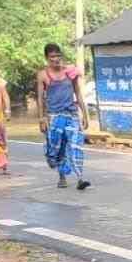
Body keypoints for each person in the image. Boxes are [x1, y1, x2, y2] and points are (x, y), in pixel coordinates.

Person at [37, 43, 90, 190]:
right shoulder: (43, 75)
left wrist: (84, 115)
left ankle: (80, 178)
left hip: (71, 114)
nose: (56, 59)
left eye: (58, 55)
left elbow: (78, 93)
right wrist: (42, 118)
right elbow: (40, 98)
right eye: (52, 56)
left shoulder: (70, 72)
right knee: (58, 148)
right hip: (54, 116)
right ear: (47, 58)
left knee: (75, 145)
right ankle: (62, 177)